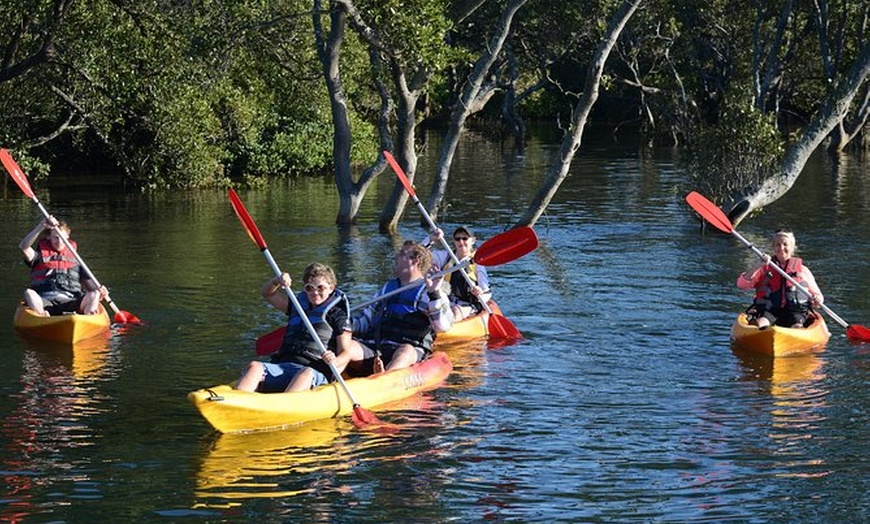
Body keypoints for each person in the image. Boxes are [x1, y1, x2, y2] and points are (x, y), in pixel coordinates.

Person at [235, 263, 362, 392]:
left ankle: (283, 406)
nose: (315, 292)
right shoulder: (297, 306)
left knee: (304, 375)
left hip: (314, 370)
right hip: (282, 367)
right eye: (310, 288)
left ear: (331, 288)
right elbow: (267, 293)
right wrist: (276, 281)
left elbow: (346, 352)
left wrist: (335, 361)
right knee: (254, 366)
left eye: (321, 288)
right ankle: (234, 403)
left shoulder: (337, 315)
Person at [349, 240, 453, 374]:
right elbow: (366, 320)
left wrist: (434, 294)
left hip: (407, 349)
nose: (396, 256)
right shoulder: (387, 288)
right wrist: (345, 326)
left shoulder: (429, 290)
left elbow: (443, 327)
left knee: (405, 351)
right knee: (348, 345)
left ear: (416, 261)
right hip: (377, 347)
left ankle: (384, 378)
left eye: (402, 254)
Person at [736, 229, 824, 329]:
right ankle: (762, 336)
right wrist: (757, 266)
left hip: (795, 313)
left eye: (785, 244)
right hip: (769, 310)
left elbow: (818, 297)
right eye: (778, 245)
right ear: (773, 247)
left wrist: (817, 299)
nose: (781, 248)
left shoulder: (803, 271)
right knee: (761, 323)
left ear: (792, 247)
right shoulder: (763, 267)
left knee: (797, 326)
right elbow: (741, 285)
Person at [20, 217, 106, 317]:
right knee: (29, 293)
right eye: (55, 237)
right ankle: (43, 317)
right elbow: (23, 246)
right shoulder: (38, 257)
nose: (59, 241)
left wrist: (101, 291)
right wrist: (41, 226)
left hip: (72, 300)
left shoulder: (77, 262)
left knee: (94, 293)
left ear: (68, 238)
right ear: (49, 238)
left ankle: (87, 320)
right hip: (45, 300)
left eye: (62, 238)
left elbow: (92, 288)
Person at [428, 226, 492, 321]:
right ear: (453, 241)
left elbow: (487, 291)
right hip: (446, 299)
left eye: (465, 238)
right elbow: (419, 256)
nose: (461, 242)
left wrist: (480, 293)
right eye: (457, 239)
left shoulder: (478, 263)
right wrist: (430, 240)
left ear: (473, 240)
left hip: (467, 303)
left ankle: (444, 329)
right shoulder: (445, 256)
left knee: (455, 311)